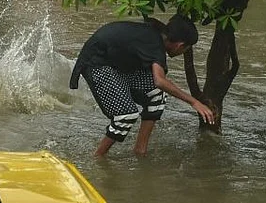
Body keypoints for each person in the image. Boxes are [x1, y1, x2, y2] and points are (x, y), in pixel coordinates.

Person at [69, 15, 217, 156]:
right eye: (186, 49)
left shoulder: (155, 36)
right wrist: (194, 102)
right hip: (97, 64)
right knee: (125, 116)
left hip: (117, 65)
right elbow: (160, 80)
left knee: (157, 96)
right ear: (180, 45)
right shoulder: (155, 44)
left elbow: (157, 84)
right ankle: (98, 157)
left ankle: (140, 151)